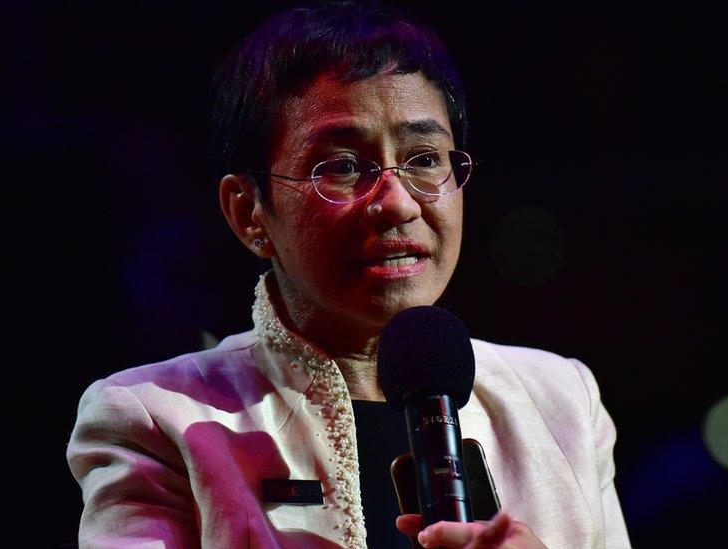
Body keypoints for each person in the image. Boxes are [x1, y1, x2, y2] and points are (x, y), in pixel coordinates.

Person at [66, 1, 631, 547]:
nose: (397, 203)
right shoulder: (156, 419)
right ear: (248, 211)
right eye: (341, 166)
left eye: (425, 159)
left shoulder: (560, 402)